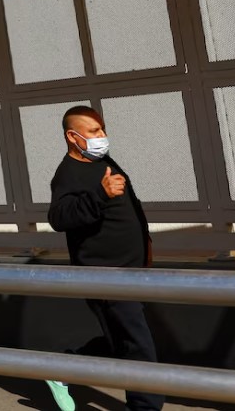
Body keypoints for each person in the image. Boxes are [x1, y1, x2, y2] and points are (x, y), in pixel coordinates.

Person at [45, 105, 164, 411]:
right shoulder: (67, 173)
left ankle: (64, 368)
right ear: (73, 137)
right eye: (94, 132)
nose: (102, 137)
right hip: (106, 275)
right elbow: (59, 217)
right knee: (138, 345)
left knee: (122, 342)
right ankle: (145, 408)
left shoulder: (101, 161)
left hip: (131, 270)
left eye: (103, 130)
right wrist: (99, 195)